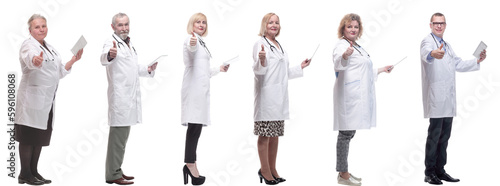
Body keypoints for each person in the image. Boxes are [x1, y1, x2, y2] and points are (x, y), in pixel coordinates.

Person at [15, 14, 84, 185]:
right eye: (37, 27)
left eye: (43, 26)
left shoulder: (50, 48)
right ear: (30, 30)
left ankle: (33, 171)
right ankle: (24, 174)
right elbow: (30, 57)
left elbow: (59, 72)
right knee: (28, 136)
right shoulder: (28, 45)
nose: (41, 29)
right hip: (31, 100)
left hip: (47, 100)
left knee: (39, 136)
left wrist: (73, 60)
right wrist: (34, 60)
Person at [420, 12, 486, 185]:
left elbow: (458, 64)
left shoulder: (447, 45)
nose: (439, 26)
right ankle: (429, 172)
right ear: (430, 25)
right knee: (434, 135)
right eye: (436, 23)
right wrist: (433, 54)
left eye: (441, 23)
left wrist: (477, 60)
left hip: (447, 99)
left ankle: (440, 171)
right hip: (436, 98)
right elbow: (427, 54)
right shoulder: (427, 42)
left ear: (445, 25)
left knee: (444, 136)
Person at [332, 13, 393, 186]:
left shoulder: (357, 46)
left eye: (356, 27)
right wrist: (344, 55)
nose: (353, 29)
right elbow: (338, 64)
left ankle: (345, 172)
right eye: (349, 26)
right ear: (343, 28)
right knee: (345, 134)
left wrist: (381, 70)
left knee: (349, 133)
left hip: (356, 95)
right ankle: (342, 174)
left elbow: (363, 70)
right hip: (348, 96)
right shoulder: (341, 46)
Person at [253, 12, 311, 185]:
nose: (274, 25)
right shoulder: (260, 43)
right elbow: (258, 71)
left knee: (275, 135)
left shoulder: (279, 45)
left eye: (276, 22)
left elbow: (283, 73)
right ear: (264, 25)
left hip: (279, 98)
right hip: (267, 97)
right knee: (265, 135)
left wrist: (300, 67)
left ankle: (273, 168)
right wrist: (261, 60)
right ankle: (264, 170)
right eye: (270, 22)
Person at [100, 12, 157, 185]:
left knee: (122, 138)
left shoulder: (128, 44)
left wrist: (147, 69)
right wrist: (110, 54)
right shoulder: (110, 43)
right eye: (120, 25)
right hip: (120, 98)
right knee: (117, 138)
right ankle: (112, 174)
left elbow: (132, 68)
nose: (124, 28)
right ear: (113, 27)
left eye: (126, 24)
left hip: (129, 98)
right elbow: (104, 59)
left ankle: (117, 169)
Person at [181, 12, 229, 186]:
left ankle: (190, 164)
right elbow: (191, 50)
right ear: (192, 25)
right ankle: (190, 164)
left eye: (204, 22)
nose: (201, 25)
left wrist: (220, 69)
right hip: (194, 90)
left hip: (201, 90)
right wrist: (193, 44)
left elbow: (205, 70)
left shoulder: (201, 41)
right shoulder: (190, 40)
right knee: (194, 128)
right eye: (198, 22)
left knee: (197, 128)